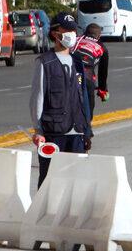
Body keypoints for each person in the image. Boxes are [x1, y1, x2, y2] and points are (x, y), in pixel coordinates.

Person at [29, 13, 93, 186]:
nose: (71, 34)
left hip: (77, 132)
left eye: (73, 30)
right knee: (50, 180)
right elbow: (38, 96)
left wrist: (87, 130)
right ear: (55, 33)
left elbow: (83, 97)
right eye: (67, 30)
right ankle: (46, 212)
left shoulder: (77, 62)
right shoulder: (45, 62)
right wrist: (38, 130)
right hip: (54, 132)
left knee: (77, 181)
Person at [73, 24, 109, 117]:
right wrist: (102, 89)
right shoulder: (102, 47)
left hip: (69, 69)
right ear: (99, 36)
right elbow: (102, 73)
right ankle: (87, 123)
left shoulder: (77, 39)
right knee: (88, 108)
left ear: (85, 33)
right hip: (86, 72)